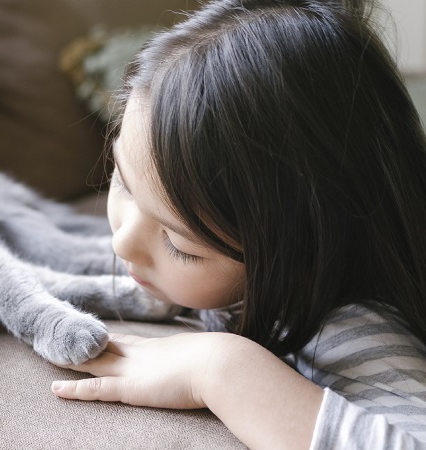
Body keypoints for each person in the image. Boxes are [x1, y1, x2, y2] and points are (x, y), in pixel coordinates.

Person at [49, 0, 426, 448]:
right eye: (124, 184)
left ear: (301, 257)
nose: (122, 243)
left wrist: (221, 368)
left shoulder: (351, 331)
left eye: (179, 244)